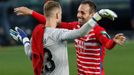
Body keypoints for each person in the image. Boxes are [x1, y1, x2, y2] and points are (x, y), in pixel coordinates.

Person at [14, 0, 126, 75]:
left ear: (92, 15)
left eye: (82, 13)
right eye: (78, 12)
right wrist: (31, 12)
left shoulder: (98, 30)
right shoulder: (75, 27)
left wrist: (114, 41)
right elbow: (52, 20)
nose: (78, 15)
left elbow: (107, 44)